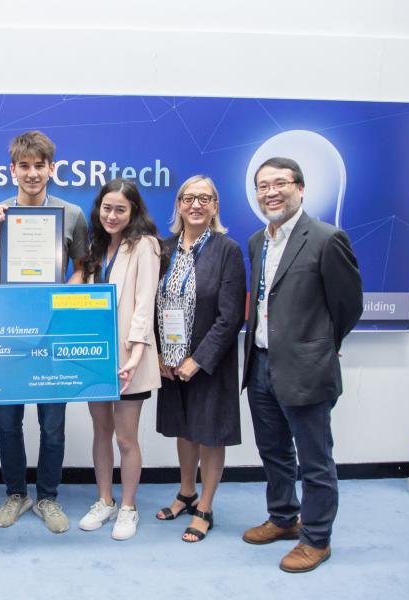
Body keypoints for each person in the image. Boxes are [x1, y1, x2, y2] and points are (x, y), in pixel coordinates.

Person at [242, 157, 362, 573]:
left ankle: (316, 539)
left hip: (306, 368)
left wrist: (323, 346)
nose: (271, 192)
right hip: (259, 365)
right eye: (263, 186)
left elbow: (348, 305)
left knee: (314, 459)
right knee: (273, 451)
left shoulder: (328, 239)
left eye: (280, 183)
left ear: (301, 188)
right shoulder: (258, 241)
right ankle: (282, 518)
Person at [0, 131, 88, 533]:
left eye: (39, 166)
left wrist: (66, 292)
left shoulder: (72, 214)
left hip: (51, 333)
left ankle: (48, 497)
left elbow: (83, 267)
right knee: (7, 421)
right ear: (13, 170)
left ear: (51, 169)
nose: (32, 173)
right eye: (24, 166)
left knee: (52, 423)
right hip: (6, 332)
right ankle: (14, 493)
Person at [152, 175, 246, 543]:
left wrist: (199, 359)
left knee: (209, 434)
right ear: (178, 204)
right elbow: (151, 302)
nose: (196, 205)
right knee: (184, 429)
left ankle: (205, 505)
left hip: (208, 364)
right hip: (170, 362)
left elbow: (230, 316)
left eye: (204, 198)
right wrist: (160, 354)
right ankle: (186, 492)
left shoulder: (227, 251)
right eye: (189, 198)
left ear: (215, 206)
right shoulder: (163, 249)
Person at [71, 178, 161, 541]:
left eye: (120, 209)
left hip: (129, 358)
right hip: (97, 356)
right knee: (101, 432)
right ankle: (104, 500)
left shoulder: (146, 246)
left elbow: (144, 302)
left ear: (133, 211)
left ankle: (128, 506)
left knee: (126, 438)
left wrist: (137, 352)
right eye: (106, 208)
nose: (112, 215)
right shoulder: (95, 246)